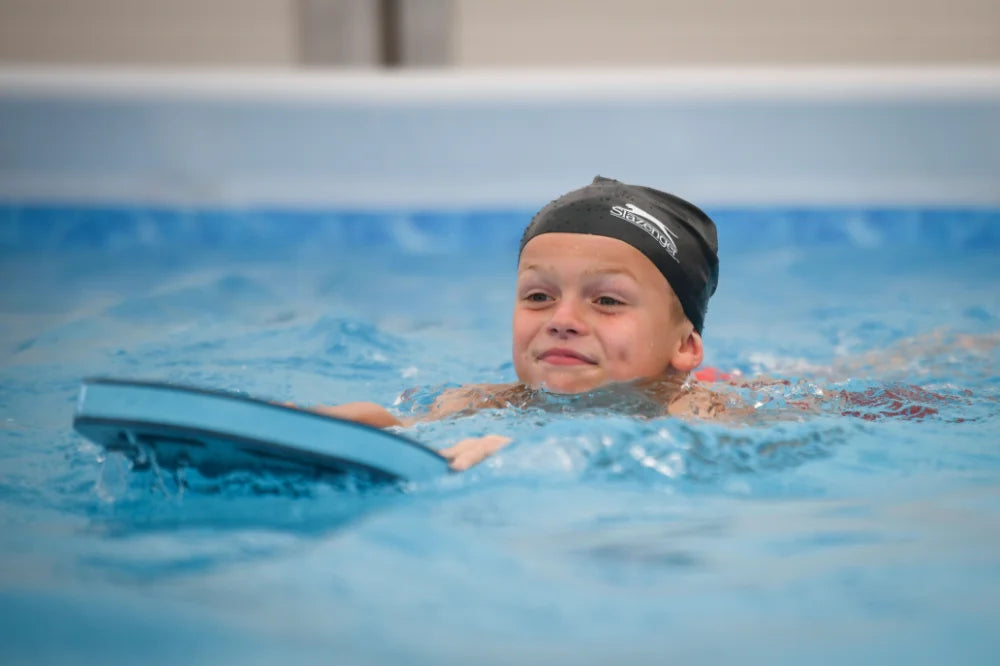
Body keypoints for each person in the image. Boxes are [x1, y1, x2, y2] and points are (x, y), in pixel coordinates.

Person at [303, 176, 726, 470]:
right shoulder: (491, 402)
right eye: (539, 296)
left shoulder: (697, 413)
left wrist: (535, 452)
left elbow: (688, 455)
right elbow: (414, 428)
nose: (563, 321)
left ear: (686, 346)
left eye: (607, 300)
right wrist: (359, 422)